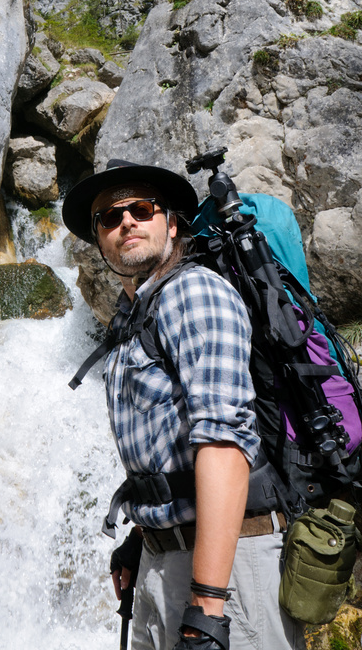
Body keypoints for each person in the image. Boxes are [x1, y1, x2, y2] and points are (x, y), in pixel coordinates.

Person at [62, 159, 305, 650]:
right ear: (100, 241)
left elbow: (224, 444)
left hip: (229, 571)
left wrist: (209, 606)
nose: (126, 221)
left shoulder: (193, 293)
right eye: (109, 218)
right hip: (164, 561)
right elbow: (167, 450)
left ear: (172, 225)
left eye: (141, 209)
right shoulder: (135, 317)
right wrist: (142, 537)